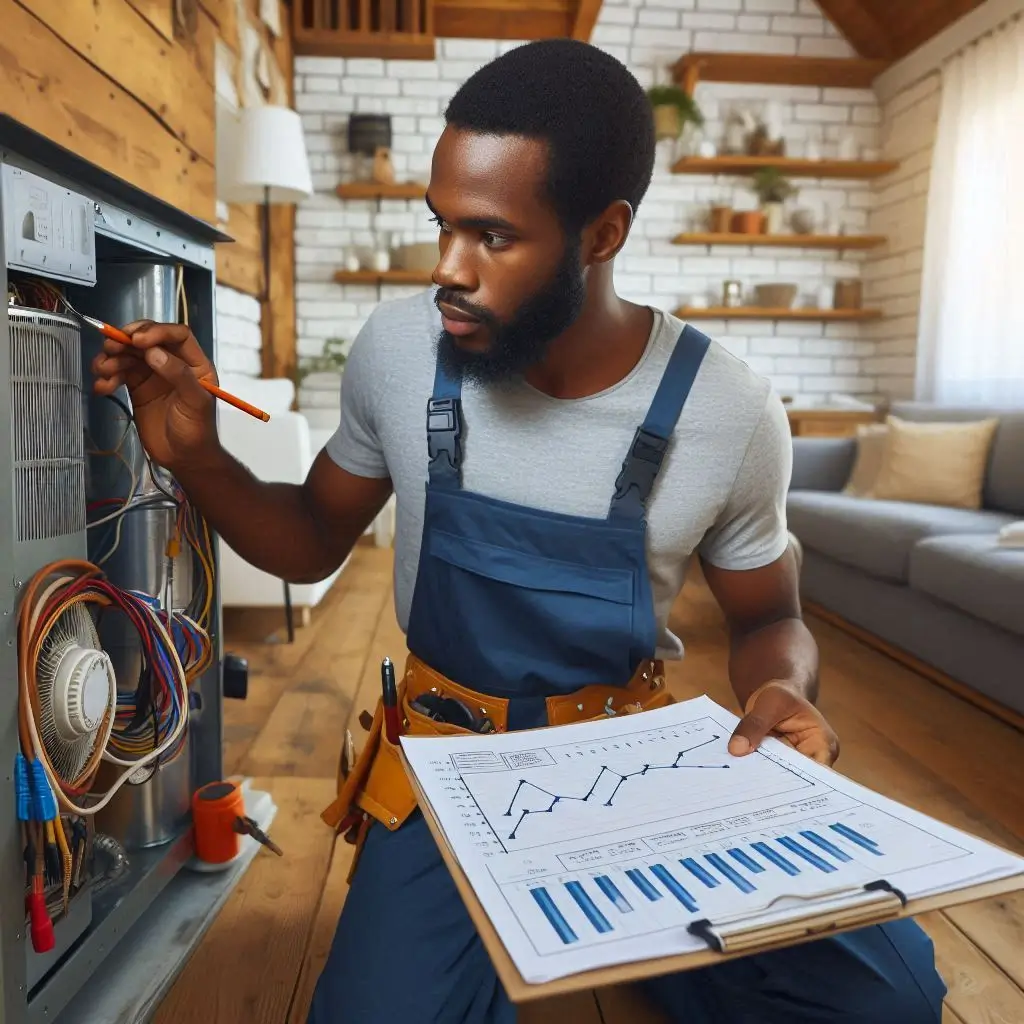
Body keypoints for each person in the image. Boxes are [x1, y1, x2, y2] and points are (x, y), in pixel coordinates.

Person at [91, 38, 945, 1024]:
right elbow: (312, 535)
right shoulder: (401, 353)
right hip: (451, 769)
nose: (447, 270)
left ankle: (631, 928)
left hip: (635, 767)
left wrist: (784, 688)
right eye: (440, 223)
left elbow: (769, 617)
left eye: (491, 236)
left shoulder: (729, 409)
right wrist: (196, 455)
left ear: (600, 233)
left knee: (888, 997)